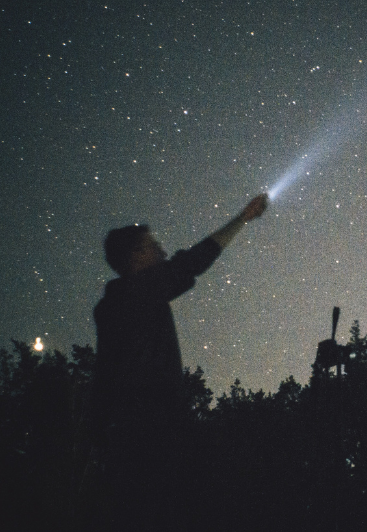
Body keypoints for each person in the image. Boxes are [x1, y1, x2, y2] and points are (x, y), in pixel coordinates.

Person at [92, 193, 268, 531]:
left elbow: (103, 375)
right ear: (137, 256)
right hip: (152, 427)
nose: (163, 251)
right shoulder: (137, 294)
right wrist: (241, 219)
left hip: (130, 432)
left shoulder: (113, 306)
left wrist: (100, 434)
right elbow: (192, 262)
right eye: (154, 245)